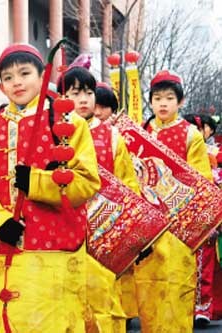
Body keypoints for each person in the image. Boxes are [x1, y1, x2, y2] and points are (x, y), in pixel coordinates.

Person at [0, 43, 100, 332]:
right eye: (9, 77)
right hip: (5, 250)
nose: (17, 82)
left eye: (25, 73)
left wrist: (38, 183)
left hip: (56, 252)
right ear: (1, 86)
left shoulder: (69, 123)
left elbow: (86, 182)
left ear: (42, 77)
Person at [138, 69, 213, 333]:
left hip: (179, 229)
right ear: (150, 101)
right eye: (157, 98)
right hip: (148, 230)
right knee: (149, 294)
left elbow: (201, 182)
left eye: (169, 98)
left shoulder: (191, 135)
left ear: (180, 102)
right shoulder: (141, 133)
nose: (162, 103)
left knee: (176, 290)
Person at [93, 81, 140, 325]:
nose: (98, 112)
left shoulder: (118, 137)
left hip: (109, 216)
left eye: (104, 107)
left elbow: (130, 182)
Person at [183, 113, 220, 327]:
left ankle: (202, 307)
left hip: (202, 211)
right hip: (179, 211)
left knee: (203, 263)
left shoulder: (210, 154)